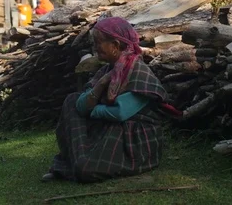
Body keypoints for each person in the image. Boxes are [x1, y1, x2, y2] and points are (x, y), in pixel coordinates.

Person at [42, 17, 181, 183]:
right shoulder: (107, 70)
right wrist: (100, 85)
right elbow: (80, 105)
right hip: (108, 126)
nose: (95, 47)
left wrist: (94, 109)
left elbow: (120, 113)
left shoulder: (138, 71)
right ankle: (77, 161)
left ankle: (74, 165)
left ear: (115, 45)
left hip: (132, 140)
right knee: (71, 100)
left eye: (99, 42)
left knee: (86, 169)